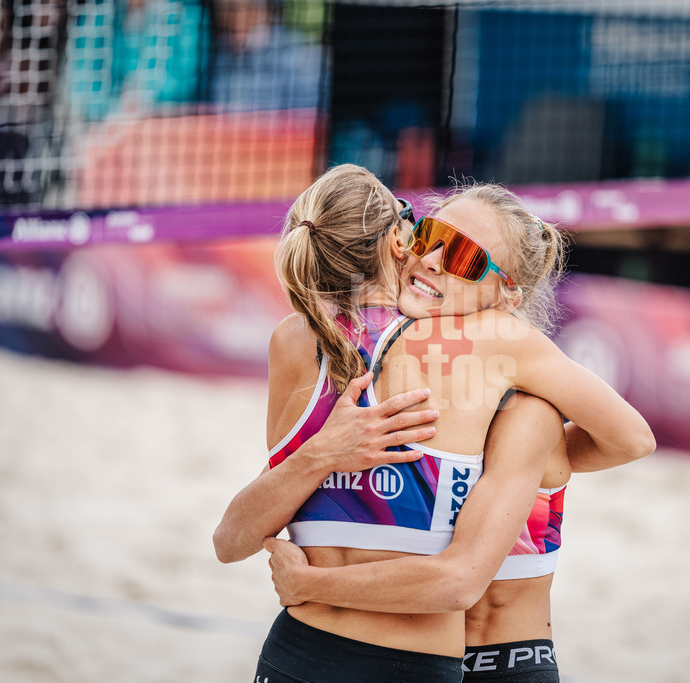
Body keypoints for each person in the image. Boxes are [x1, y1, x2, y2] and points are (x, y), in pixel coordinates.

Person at [213, 164, 655, 681]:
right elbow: (231, 540)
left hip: (468, 653)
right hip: (418, 653)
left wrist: (522, 460)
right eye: (432, 234)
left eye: (465, 256)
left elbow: (632, 438)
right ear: (402, 241)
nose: (433, 259)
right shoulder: (342, 346)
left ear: (508, 296)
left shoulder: (522, 393)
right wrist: (325, 454)